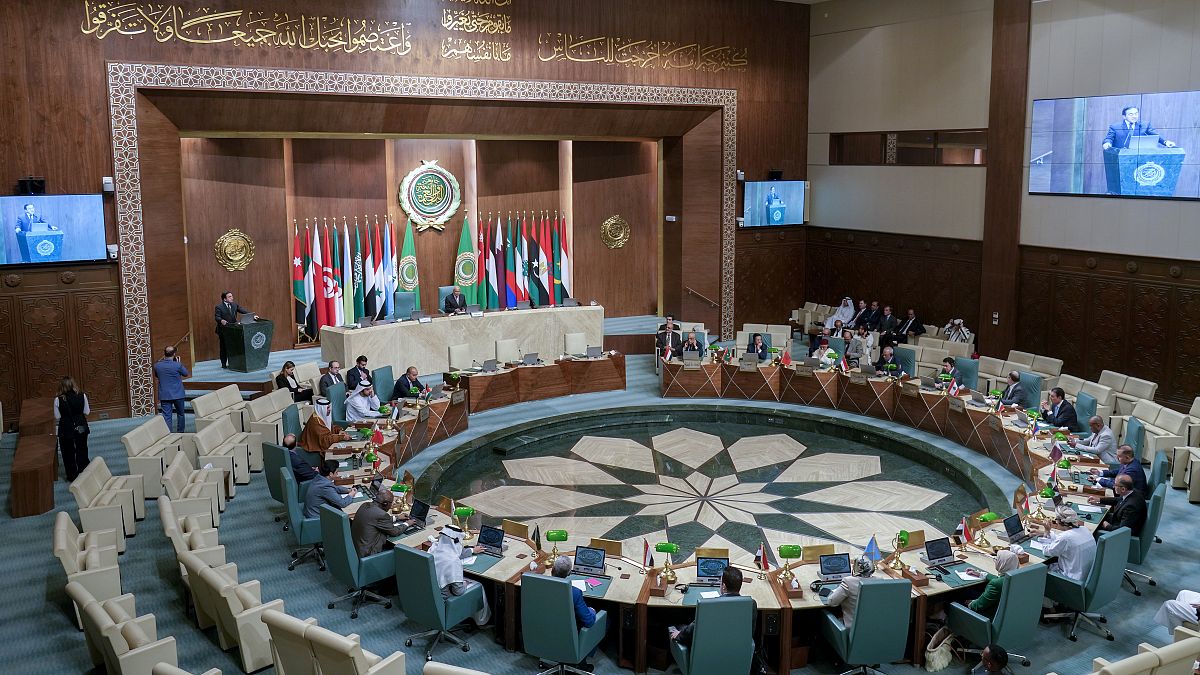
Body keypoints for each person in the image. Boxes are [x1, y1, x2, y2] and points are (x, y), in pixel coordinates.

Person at [430, 525, 492, 625]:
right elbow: (458, 591)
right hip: (443, 601)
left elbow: (454, 551)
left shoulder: (433, 549)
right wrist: (465, 583)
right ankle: (482, 622)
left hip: (429, 596)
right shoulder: (453, 561)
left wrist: (472, 550)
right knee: (478, 585)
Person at [670, 565, 745, 646]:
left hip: (710, 648)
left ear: (724, 586)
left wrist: (679, 634)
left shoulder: (711, 606)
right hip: (737, 648)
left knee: (679, 625)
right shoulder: (751, 605)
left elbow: (694, 629)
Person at [1036, 508, 1096, 581]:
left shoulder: (1065, 538)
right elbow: (1065, 539)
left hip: (1072, 580)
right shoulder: (1084, 529)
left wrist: (1046, 531)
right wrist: (1048, 533)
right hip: (1089, 576)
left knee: (1040, 569)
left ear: (1060, 522)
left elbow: (1047, 551)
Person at [54, 376, 90, 482]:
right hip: (81, 426)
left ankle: (72, 476)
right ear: (73, 384)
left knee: (68, 453)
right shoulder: (82, 395)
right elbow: (87, 412)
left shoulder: (58, 399)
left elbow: (57, 416)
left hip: (66, 428)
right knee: (82, 449)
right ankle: (84, 472)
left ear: (61, 386)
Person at [1089, 473, 1147, 539]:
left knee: (1091, 527)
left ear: (1123, 489)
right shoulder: (1132, 492)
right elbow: (1118, 499)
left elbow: (1122, 530)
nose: (1113, 486)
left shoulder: (1131, 507)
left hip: (1120, 536)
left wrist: (1107, 526)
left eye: (1115, 485)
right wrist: (1099, 499)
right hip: (1118, 521)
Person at [350, 489, 403, 558]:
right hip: (368, 555)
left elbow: (376, 519)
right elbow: (394, 532)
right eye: (391, 503)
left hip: (355, 549)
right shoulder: (382, 515)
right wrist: (408, 523)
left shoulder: (365, 505)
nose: (391, 506)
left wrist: (397, 518)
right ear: (385, 504)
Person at [826, 555, 875, 628]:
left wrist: (836, 592)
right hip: (875, 626)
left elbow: (831, 602)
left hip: (852, 628)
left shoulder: (848, 582)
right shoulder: (880, 581)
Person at [213, 291, 258, 369]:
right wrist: (221, 320)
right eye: (229, 297)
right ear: (224, 299)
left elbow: (243, 311)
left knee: (235, 347)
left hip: (234, 329)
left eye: (232, 296)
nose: (232, 298)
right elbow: (217, 317)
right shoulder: (219, 307)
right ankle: (223, 364)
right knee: (224, 347)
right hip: (224, 330)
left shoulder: (234, 305)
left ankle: (234, 363)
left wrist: (252, 315)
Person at [968, 550, 1018, 618]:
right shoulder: (1019, 577)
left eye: (997, 559)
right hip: (1012, 615)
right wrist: (981, 574)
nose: (995, 561)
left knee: (959, 594)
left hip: (990, 617)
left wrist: (970, 603)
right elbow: (1000, 580)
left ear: (1002, 564)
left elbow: (978, 606)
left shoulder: (995, 584)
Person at [1102, 106, 1175, 150]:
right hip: (1121, 157)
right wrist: (1107, 143)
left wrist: (1165, 142)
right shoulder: (1115, 127)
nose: (1134, 116)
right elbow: (1109, 138)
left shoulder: (1145, 125)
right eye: (1131, 114)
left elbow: (1156, 136)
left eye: (1136, 114)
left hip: (1138, 157)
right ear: (1124, 116)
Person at [153, 345, 189, 433]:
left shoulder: (157, 365)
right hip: (178, 394)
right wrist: (178, 363)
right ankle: (180, 433)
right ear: (174, 354)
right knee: (180, 414)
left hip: (165, 394)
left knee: (167, 416)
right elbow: (186, 373)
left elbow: (157, 375)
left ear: (164, 353)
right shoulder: (178, 365)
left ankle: (169, 435)